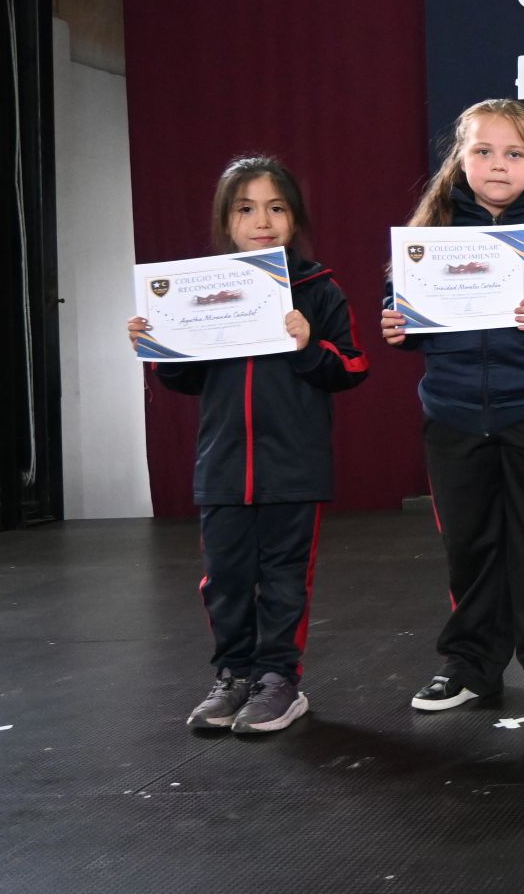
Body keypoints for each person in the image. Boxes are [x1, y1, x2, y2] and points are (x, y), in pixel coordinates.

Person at [379, 99, 524, 711]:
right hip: (454, 413)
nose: (498, 164)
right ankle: (471, 665)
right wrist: (399, 325)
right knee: (469, 545)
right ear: (461, 160)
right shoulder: (429, 235)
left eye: (514, 153)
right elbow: (400, 305)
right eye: (483, 151)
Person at [130, 155, 368, 733]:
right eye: (245, 209)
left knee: (285, 578)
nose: (262, 221)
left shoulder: (318, 289)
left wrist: (309, 345)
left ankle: (278, 681)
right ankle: (234, 675)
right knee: (226, 579)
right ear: (226, 221)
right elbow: (186, 380)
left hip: (295, 465)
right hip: (222, 464)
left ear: (295, 217)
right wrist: (159, 345)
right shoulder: (199, 289)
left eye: (276, 208)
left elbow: (353, 366)